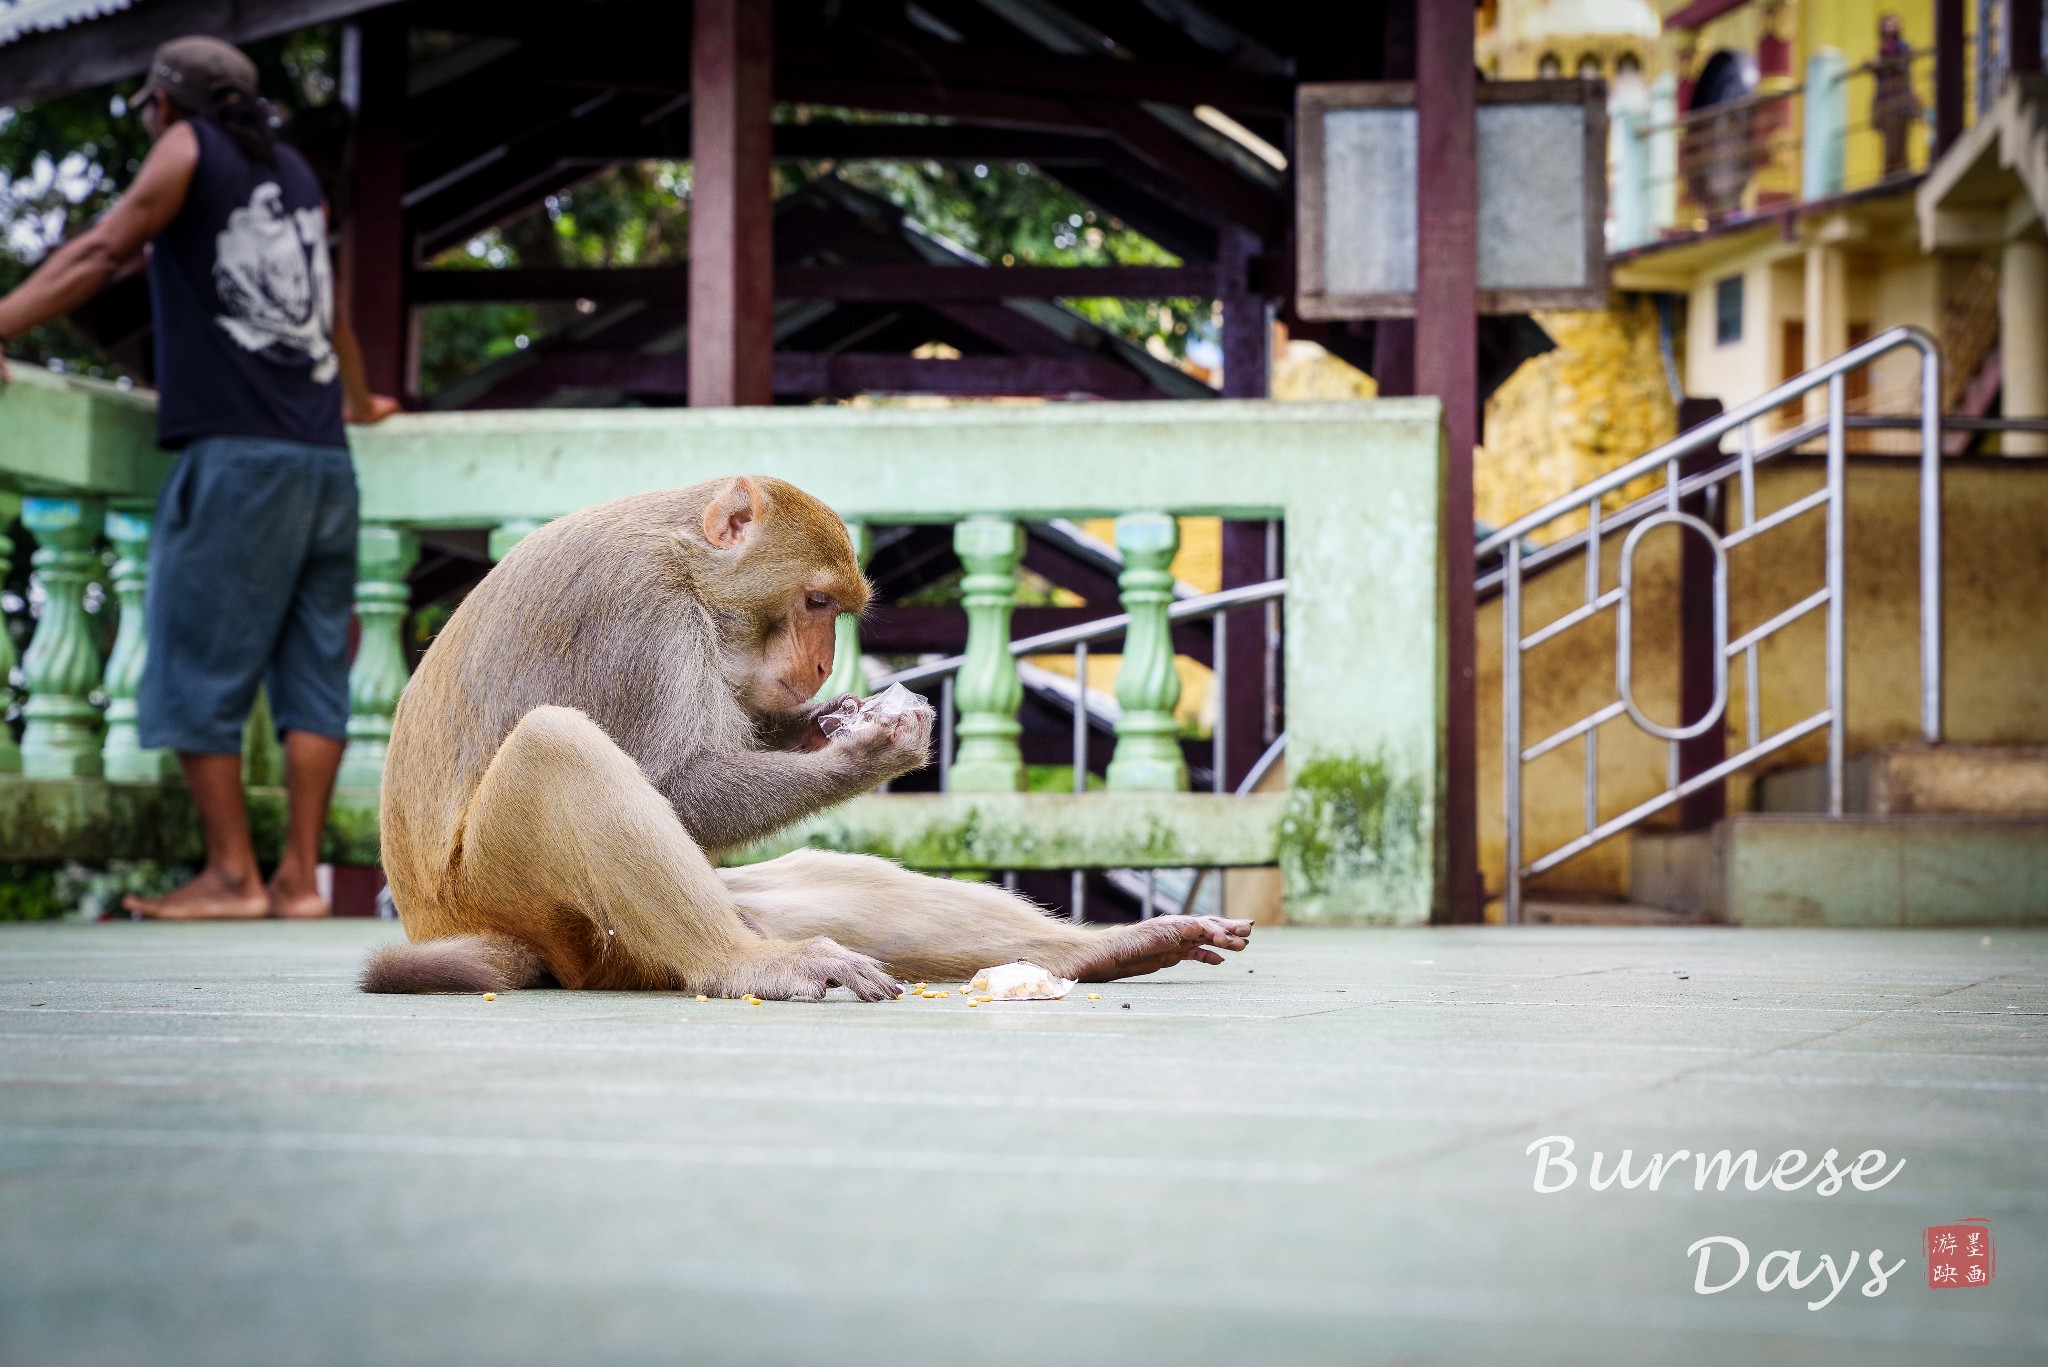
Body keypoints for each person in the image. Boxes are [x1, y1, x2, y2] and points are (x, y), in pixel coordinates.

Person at [0, 37, 400, 919]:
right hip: (324, 465)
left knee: (191, 664)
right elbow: (328, 313)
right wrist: (363, 403)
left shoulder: (187, 149)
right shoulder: (294, 172)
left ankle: (232, 874)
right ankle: (296, 878)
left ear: (168, 103)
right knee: (313, 676)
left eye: (149, 108)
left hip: (239, 459)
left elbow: (105, 250)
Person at [1871, 13, 1922, 179]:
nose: (1890, 27)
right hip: (1887, 102)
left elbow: (1902, 65)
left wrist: (1881, 64)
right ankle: (1891, 172)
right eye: (1887, 24)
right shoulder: (1883, 49)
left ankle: (1901, 170)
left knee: (1901, 137)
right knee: (1890, 141)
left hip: (1900, 100)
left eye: (1892, 24)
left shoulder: (1901, 47)